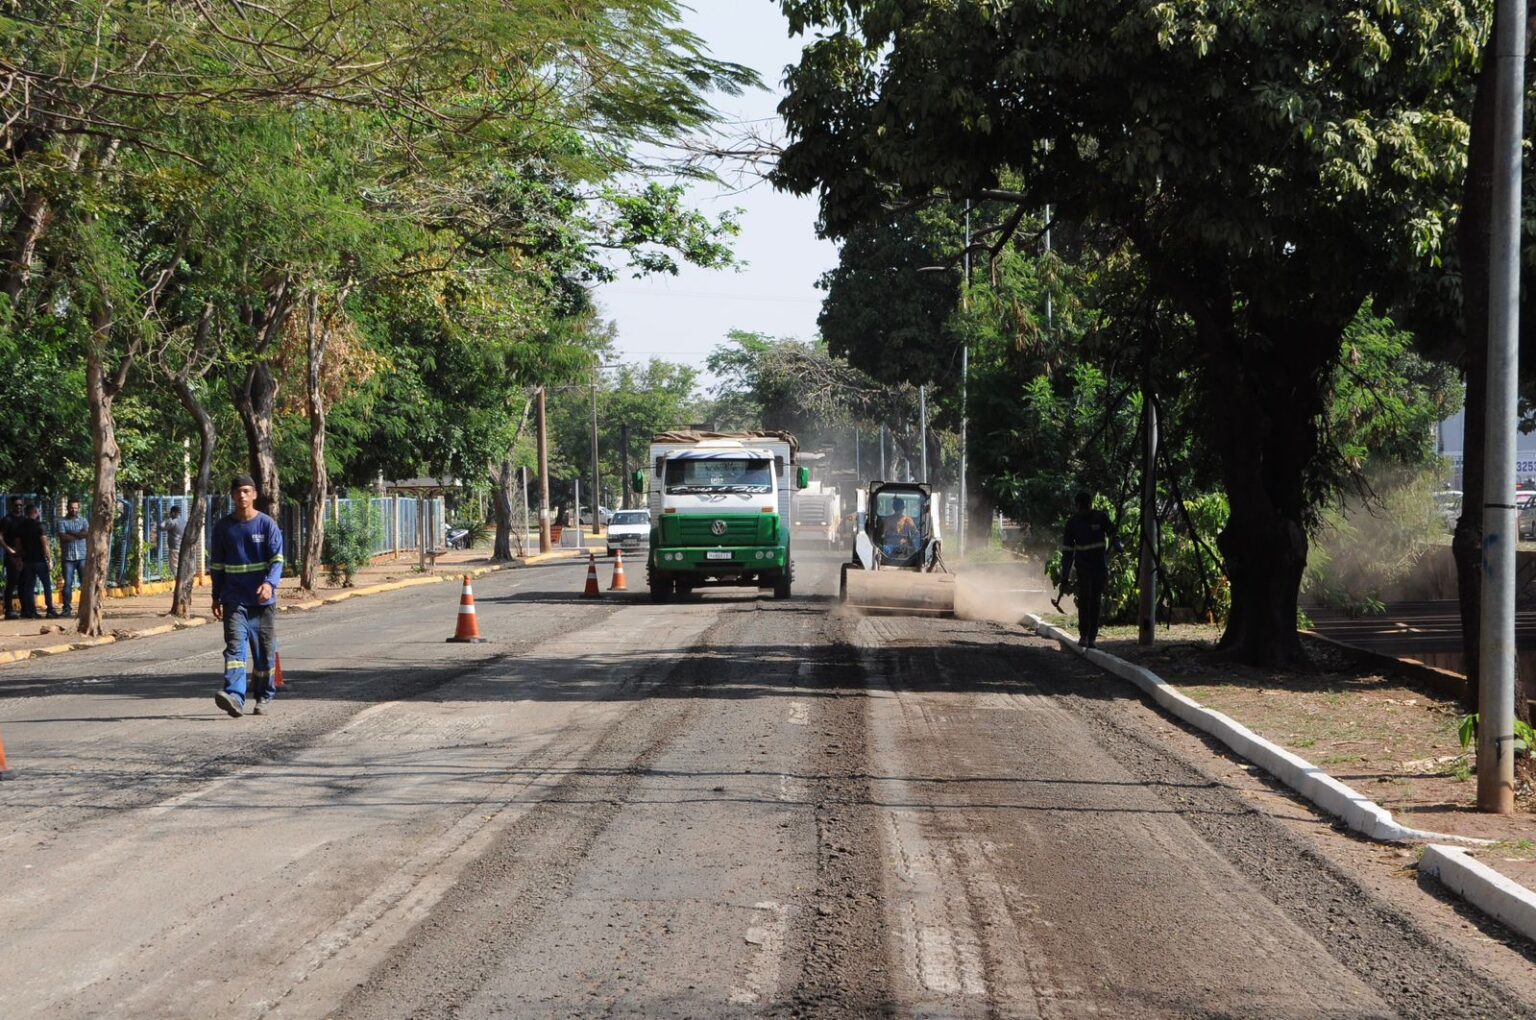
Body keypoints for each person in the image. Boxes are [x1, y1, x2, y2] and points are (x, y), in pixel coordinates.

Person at [209, 475, 284, 718]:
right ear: (232, 496)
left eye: (246, 491)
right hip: (234, 600)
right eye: (237, 491)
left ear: (254, 494)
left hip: (262, 603)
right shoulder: (223, 528)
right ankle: (234, 695)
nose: (241, 495)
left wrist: (270, 584)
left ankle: (263, 695)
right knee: (234, 649)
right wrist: (216, 596)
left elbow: (277, 560)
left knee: (263, 653)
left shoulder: (266, 525)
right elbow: (218, 566)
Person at [1060, 490, 1119, 649]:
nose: (1083, 509)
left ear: (1089, 505)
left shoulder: (1100, 517)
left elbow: (1113, 532)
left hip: (1099, 564)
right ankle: (1084, 635)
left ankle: (1092, 637)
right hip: (1083, 566)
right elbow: (1067, 551)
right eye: (1081, 507)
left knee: (1095, 600)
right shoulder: (1073, 523)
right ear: (1077, 506)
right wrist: (1064, 574)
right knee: (1085, 598)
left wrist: (1117, 543)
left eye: (1085, 506)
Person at [15, 503, 57, 619]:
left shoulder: (20, 527)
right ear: (36, 513)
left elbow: (18, 546)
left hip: (27, 561)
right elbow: (45, 545)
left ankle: (31, 611)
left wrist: (19, 559)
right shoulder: (40, 526)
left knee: (29, 587)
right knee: (47, 585)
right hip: (39, 561)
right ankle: (50, 610)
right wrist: (49, 560)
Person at [56, 498, 88, 617]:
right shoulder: (62, 522)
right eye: (71, 507)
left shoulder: (83, 520)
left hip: (82, 557)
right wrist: (79, 534)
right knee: (68, 584)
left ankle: (85, 607)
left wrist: (71, 533)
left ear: (78, 508)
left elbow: (86, 533)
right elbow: (63, 537)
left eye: (75, 508)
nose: (73, 510)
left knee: (84, 583)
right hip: (68, 558)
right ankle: (67, 608)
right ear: (67, 508)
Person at [1, 496, 24, 619]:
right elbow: (0, 537)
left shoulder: (24, 519)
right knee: (12, 582)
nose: (19, 507)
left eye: (20, 505)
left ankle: (25, 608)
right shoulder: (6, 520)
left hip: (24, 556)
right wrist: (9, 550)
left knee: (23, 583)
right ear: (11, 506)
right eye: (16, 505)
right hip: (12, 556)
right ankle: (8, 609)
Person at [158, 504, 185, 578]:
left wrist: (167, 519)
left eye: (171, 513)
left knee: (174, 567)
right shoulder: (183, 521)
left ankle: (179, 584)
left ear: (173, 513)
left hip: (174, 548)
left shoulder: (173, 522)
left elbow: (161, 527)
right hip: (182, 546)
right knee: (180, 566)